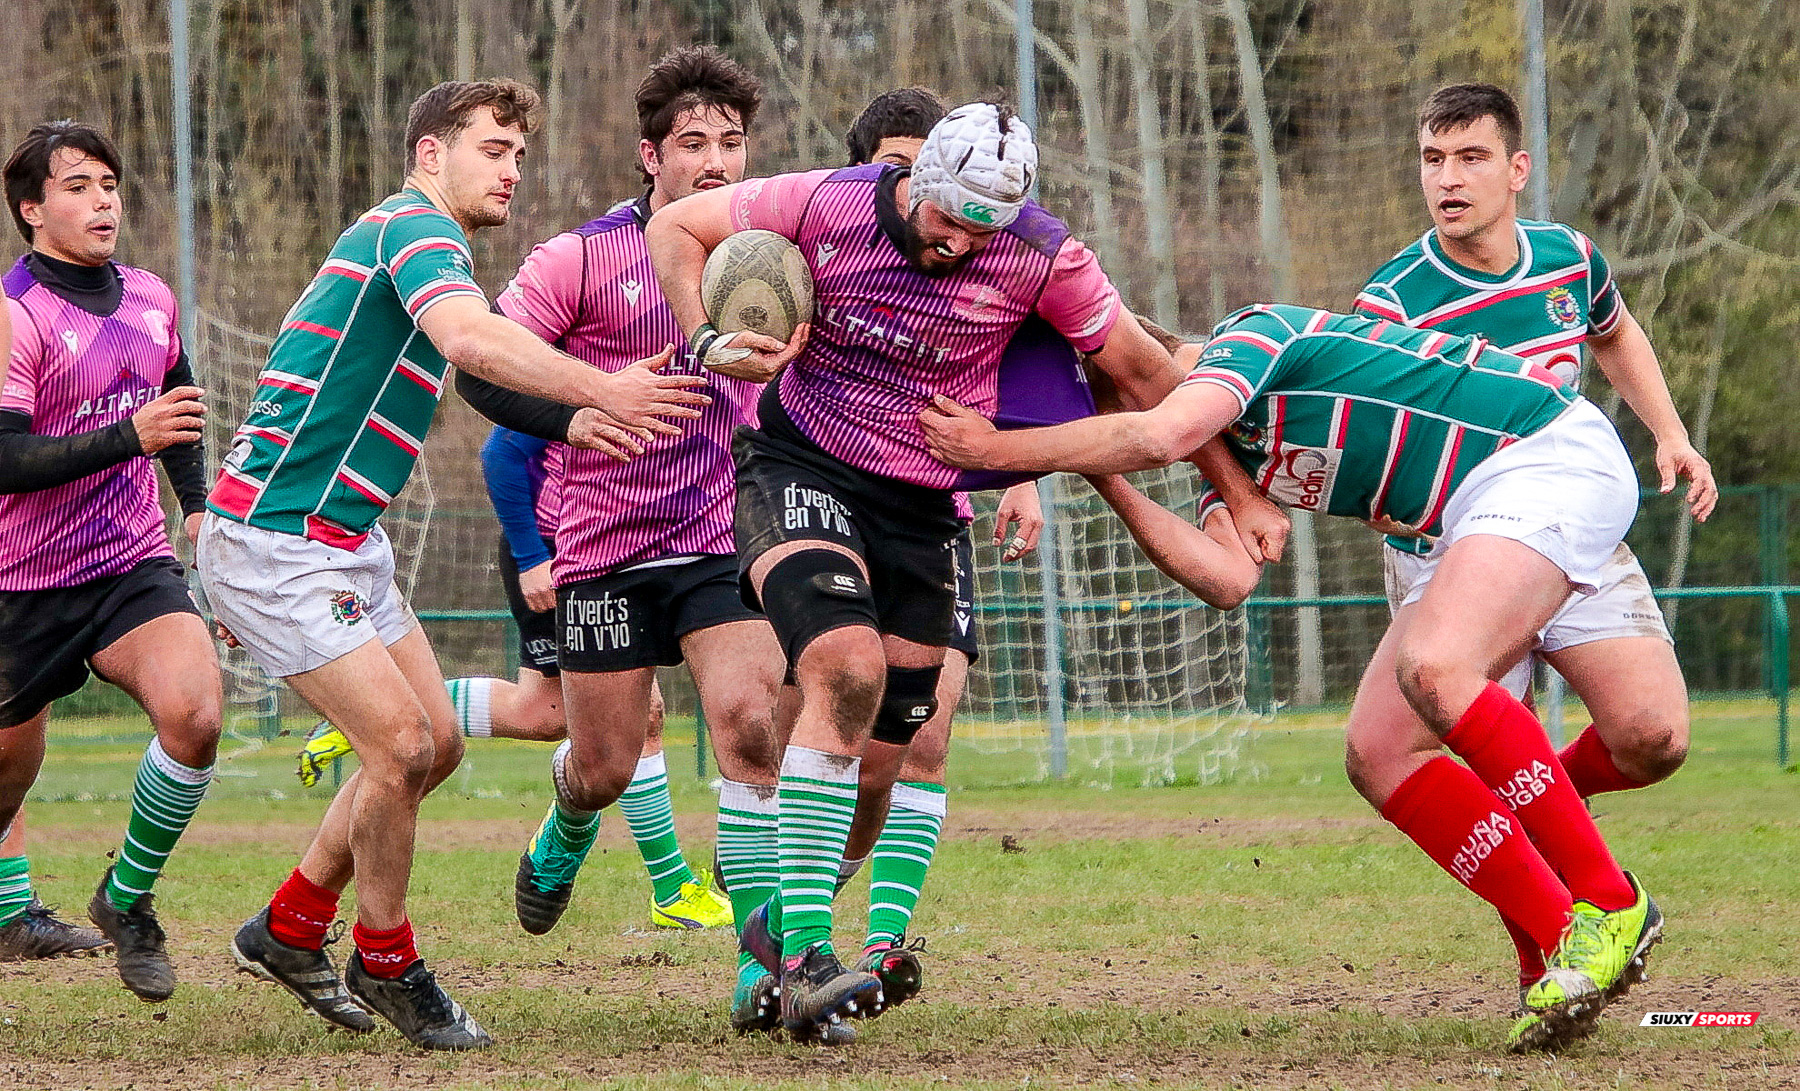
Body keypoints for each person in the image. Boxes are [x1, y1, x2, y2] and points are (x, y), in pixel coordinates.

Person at [921, 301, 1704, 1053]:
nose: (1081, 427)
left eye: (1080, 408)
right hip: (1472, 516)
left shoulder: (1249, 340)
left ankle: (1609, 899)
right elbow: (1226, 577)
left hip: (1545, 456)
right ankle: (1559, 937)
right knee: (1379, 749)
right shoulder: (1227, 454)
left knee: (1439, 668)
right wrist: (1103, 477)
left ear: (1124, 371)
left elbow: (1160, 432)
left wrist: (994, 450)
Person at [645, 99, 1193, 1042]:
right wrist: (704, 337)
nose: (959, 242)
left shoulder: (1042, 255)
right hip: (800, 464)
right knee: (843, 667)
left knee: (884, 766)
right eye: (948, 219)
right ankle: (806, 961)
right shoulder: (828, 202)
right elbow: (675, 228)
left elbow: (1149, 379)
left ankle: (777, 929)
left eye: (983, 228)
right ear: (917, 180)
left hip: (924, 505)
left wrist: (1238, 484)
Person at [202, 78, 709, 1050]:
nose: (512, 170)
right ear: (431, 154)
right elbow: (470, 340)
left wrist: (572, 419)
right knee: (397, 747)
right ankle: (385, 958)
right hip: (278, 538)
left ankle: (291, 924)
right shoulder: (415, 227)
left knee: (435, 741)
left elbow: (466, 362)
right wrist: (601, 388)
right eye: (493, 149)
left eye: (519, 153)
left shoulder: (417, 238)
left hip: (340, 539)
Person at [1353, 83, 1715, 1010]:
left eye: (1471, 157)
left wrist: (1671, 433)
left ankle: (1549, 795)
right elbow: (1367, 433)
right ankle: (1555, 957)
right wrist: (1385, 500)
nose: (1449, 178)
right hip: (1456, 551)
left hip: (1571, 529)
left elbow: (1615, 333)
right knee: (1458, 745)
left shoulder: (1568, 260)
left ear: (1517, 169)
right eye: (1433, 160)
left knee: (1655, 736)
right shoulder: (1392, 301)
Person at [453, 46, 789, 1032]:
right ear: (652, 156)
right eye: (694, 143)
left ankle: (761, 967)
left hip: (724, 536)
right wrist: (579, 412)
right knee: (603, 763)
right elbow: (479, 370)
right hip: (604, 548)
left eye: (732, 142)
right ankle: (565, 824)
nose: (716, 161)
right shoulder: (580, 259)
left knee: (750, 727)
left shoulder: (772, 260)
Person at [293, 422, 730, 932]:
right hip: (562, 554)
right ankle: (672, 888)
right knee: (639, 715)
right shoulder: (579, 377)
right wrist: (531, 557)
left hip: (635, 552)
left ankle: (378, 712)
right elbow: (501, 453)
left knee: (543, 713)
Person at [0, 121, 221, 996]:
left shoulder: (150, 297)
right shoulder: (16, 313)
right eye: (78, 187)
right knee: (6, 781)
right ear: (31, 209)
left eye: (109, 184)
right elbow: (5, 457)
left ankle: (125, 897)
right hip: (21, 582)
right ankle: (9, 912)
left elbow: (179, 407)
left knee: (196, 715)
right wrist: (126, 436)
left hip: (131, 562)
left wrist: (198, 509)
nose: (103, 202)